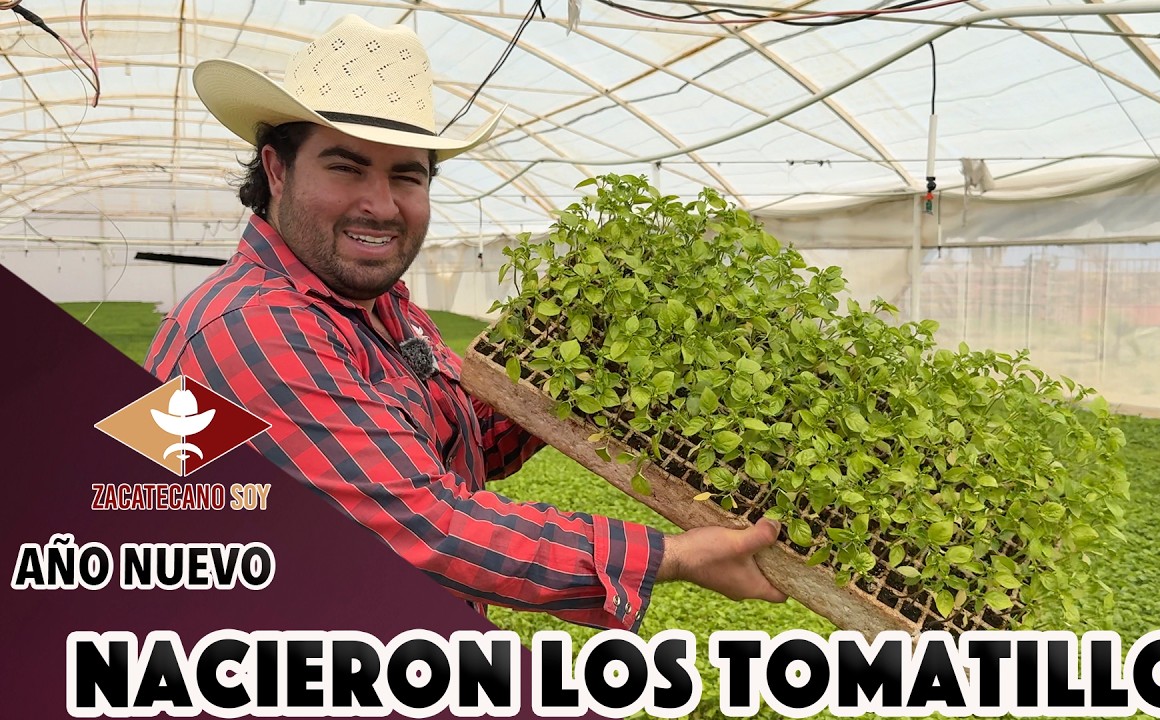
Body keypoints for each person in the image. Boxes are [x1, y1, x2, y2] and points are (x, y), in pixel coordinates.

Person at [145, 15, 785, 631]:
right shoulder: (249, 328)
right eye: (346, 167)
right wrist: (672, 556)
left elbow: (466, 443)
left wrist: (589, 357)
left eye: (406, 175)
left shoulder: (385, 309)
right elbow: (426, 526)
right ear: (278, 170)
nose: (380, 204)